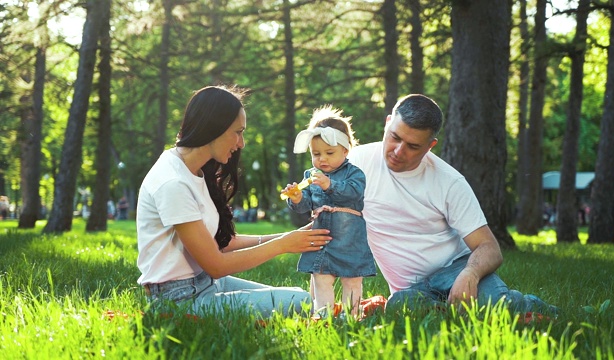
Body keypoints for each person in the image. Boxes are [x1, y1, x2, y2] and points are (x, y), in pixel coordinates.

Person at [348, 94, 557, 316]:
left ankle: (539, 309)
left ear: (430, 146)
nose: (399, 151)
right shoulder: (356, 165)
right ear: (388, 122)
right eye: (395, 137)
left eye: (412, 146)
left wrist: (471, 274)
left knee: (499, 309)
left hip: (456, 270)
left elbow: (489, 247)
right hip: (410, 289)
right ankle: (450, 311)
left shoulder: (449, 182)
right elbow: (327, 214)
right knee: (400, 307)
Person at [136, 85, 332, 318]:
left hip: (204, 284)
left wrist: (291, 236)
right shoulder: (173, 182)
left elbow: (220, 244)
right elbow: (216, 265)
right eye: (238, 132)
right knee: (300, 302)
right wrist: (283, 245)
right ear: (213, 128)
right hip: (177, 300)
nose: (241, 143)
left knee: (300, 297)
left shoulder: (194, 171)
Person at [283, 105, 376, 316]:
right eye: (316, 154)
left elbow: (354, 193)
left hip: (349, 239)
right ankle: (323, 315)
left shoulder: (355, 174)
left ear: (345, 150)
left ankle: (350, 316)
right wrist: (297, 198)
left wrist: (329, 185)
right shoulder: (311, 175)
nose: (322, 159)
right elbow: (307, 204)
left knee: (352, 280)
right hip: (321, 238)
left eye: (329, 153)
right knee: (321, 278)